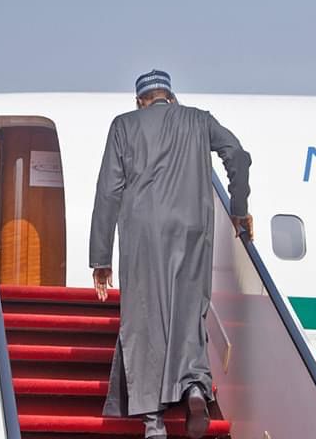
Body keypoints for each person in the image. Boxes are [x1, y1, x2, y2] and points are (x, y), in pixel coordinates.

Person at [89, 69, 253, 439]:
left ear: (139, 101)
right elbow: (238, 157)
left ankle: (153, 423)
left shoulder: (124, 126)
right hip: (193, 226)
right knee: (188, 309)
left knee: (145, 317)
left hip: (143, 231)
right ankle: (195, 385)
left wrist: (101, 258)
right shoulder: (199, 119)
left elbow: (108, 191)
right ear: (171, 96)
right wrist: (239, 209)